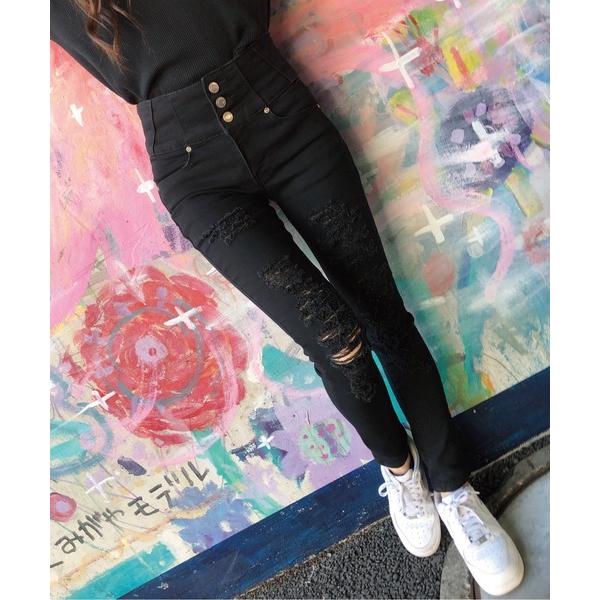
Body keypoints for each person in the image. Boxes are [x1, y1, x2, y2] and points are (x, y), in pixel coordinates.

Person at [50, 1, 524, 595]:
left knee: (382, 313)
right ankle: (401, 467)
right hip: (194, 170)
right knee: (334, 338)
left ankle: (454, 486)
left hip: (281, 114)